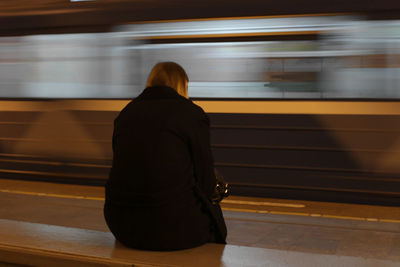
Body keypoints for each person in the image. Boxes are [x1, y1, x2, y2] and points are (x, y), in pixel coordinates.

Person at [104, 62, 227, 251]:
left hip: (121, 226)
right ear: (182, 85)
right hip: (171, 231)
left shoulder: (126, 113)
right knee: (213, 212)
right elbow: (205, 180)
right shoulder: (191, 113)